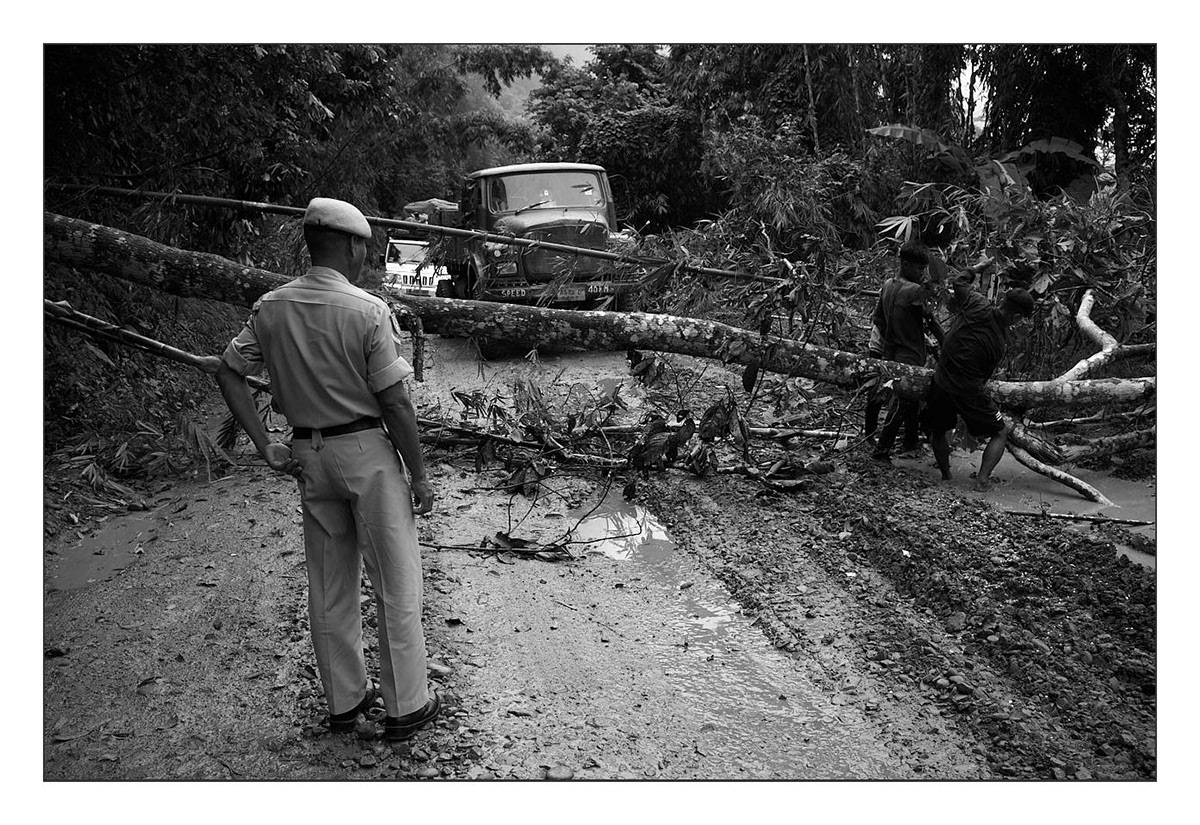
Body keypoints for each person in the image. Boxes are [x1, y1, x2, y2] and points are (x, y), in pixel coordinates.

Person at [215, 197, 440, 741]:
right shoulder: (366, 311)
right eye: (363, 248)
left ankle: (344, 701)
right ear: (354, 247)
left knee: (329, 580)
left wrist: (266, 444)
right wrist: (420, 474)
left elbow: (228, 371)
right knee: (395, 580)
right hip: (365, 453)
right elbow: (395, 404)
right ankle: (406, 705)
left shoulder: (271, 308)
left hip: (307, 455)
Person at [922, 263, 1035, 492]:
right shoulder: (999, 343)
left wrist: (980, 266)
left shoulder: (976, 303)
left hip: (942, 380)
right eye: (1020, 319)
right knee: (1000, 431)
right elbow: (983, 376)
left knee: (939, 429)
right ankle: (982, 481)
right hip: (969, 390)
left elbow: (959, 282)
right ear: (1015, 316)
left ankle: (945, 475)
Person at [870, 243, 944, 462]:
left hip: (891, 351)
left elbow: (878, 320)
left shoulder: (887, 285)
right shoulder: (914, 291)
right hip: (909, 353)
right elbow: (931, 321)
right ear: (905, 264)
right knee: (904, 401)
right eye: (919, 269)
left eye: (924, 270)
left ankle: (910, 441)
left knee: (909, 399)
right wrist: (946, 345)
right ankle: (882, 450)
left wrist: (894, 335)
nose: (922, 274)